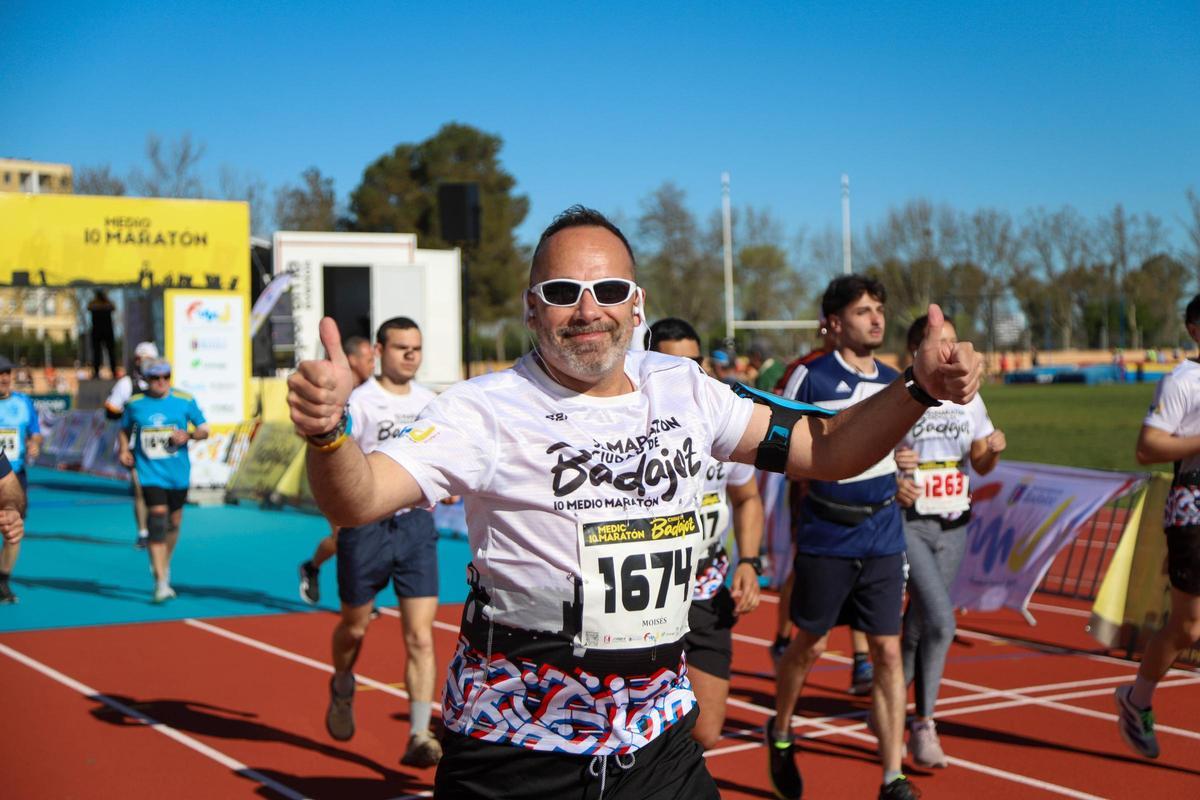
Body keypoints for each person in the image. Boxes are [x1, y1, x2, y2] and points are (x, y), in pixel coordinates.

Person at [286, 206, 980, 799]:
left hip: (656, 741)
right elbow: (360, 498)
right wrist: (327, 434)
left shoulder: (687, 389)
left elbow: (827, 451)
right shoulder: (482, 410)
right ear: (531, 308)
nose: (588, 310)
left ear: (636, 304)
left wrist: (917, 389)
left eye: (609, 290)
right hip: (516, 747)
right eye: (564, 292)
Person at [768, 275, 920, 800]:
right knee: (809, 645)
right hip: (828, 532)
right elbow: (779, 446)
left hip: (884, 532)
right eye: (862, 310)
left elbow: (899, 448)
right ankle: (781, 731)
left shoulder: (897, 380)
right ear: (833, 323)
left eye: (879, 308)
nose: (876, 318)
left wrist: (902, 472)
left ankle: (892, 776)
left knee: (888, 653)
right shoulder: (810, 375)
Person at [319, 317, 443, 768]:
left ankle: (419, 734)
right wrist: (339, 516)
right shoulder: (360, 401)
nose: (410, 355)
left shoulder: (431, 403)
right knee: (354, 627)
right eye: (401, 347)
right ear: (378, 351)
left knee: (421, 637)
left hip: (415, 528)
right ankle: (342, 680)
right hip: (366, 528)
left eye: (417, 348)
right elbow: (337, 464)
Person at [893, 314, 1006, 768]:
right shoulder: (900, 394)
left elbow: (980, 462)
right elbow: (868, 451)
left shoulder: (969, 397)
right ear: (917, 350)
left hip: (955, 521)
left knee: (919, 620)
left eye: (955, 342)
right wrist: (894, 470)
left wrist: (992, 449)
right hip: (910, 522)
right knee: (941, 622)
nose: (952, 350)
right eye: (942, 342)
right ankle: (924, 724)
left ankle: (889, 700)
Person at [649, 317, 764, 749]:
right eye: (672, 367)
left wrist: (749, 562)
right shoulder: (627, 427)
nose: (688, 376)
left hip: (706, 589)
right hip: (648, 596)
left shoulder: (720, 421)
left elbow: (747, 498)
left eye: (695, 364)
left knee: (707, 731)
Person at [768, 313, 875, 696]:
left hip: (861, 492)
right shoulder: (806, 369)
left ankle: (861, 658)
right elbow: (779, 420)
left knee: (862, 566)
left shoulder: (873, 371)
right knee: (804, 569)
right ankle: (783, 639)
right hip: (813, 491)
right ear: (832, 326)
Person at [1115, 293, 1200, 759]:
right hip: (1194, 506)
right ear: (1194, 329)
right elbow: (1147, 447)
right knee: (1188, 627)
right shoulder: (1183, 380)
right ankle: (1137, 700)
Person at [118, 360, 208, 603]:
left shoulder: (184, 400)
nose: (161, 382)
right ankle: (160, 582)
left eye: (166, 377)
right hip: (149, 472)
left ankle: (163, 564)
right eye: (155, 378)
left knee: (174, 522)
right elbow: (124, 430)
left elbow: (204, 430)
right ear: (146, 379)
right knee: (157, 517)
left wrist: (189, 435)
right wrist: (124, 450)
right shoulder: (135, 403)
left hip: (177, 473)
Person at [298, 332, 377, 605]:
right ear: (351, 359)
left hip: (368, 475)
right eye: (368, 359)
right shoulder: (332, 390)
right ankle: (356, 601)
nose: (373, 364)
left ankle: (312, 566)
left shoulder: (374, 393)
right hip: (333, 474)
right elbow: (306, 427)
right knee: (344, 536)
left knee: (364, 538)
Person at [105, 342, 160, 548]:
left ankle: (159, 525)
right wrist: (131, 413)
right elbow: (111, 411)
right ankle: (144, 532)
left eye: (148, 359)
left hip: (161, 447)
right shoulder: (126, 384)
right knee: (140, 489)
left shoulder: (162, 382)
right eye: (140, 359)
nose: (143, 362)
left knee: (160, 491)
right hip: (136, 445)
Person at [0, 360, 39, 606]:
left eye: (6, 373)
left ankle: (3, 580)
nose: (3, 378)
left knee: (13, 528)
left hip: (14, 475)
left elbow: (35, 432)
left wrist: (35, 443)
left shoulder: (23, 402)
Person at [0, 451, 27, 604]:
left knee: (11, 531)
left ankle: (2, 581)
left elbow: (7, 483)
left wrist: (10, 508)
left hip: (16, 469)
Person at [88, 289, 117, 378]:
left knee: (110, 352)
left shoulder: (106, 303)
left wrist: (104, 301)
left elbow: (113, 307)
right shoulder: (94, 303)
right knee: (97, 353)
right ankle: (96, 371)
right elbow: (89, 307)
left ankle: (113, 371)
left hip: (106, 331)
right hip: (98, 331)